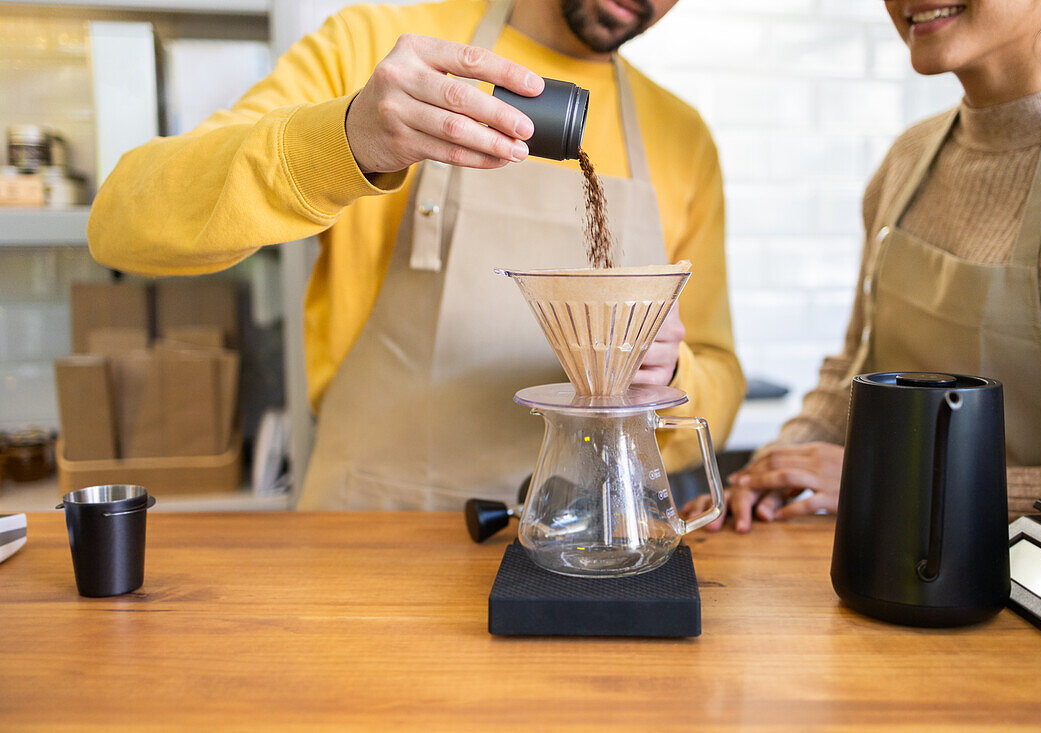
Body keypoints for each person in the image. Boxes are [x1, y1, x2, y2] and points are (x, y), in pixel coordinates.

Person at [88, 0, 745, 510]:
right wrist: (348, 137)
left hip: (582, 550)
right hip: (374, 539)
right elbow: (121, 221)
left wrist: (667, 376)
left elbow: (719, 386)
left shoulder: (682, 139)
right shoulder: (383, 50)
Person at [686, 0, 1041, 531]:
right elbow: (857, 372)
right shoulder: (909, 159)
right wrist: (777, 466)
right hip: (892, 563)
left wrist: (896, 480)